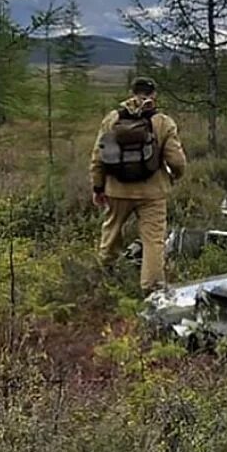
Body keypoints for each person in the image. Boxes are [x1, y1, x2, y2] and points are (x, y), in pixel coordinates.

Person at [90, 77, 187, 294]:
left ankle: (103, 281)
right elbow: (177, 161)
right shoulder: (162, 122)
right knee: (153, 241)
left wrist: (98, 188)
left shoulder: (112, 119)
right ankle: (152, 291)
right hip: (152, 192)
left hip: (116, 190)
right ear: (154, 95)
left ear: (132, 92)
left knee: (111, 233)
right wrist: (175, 176)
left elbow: (97, 157)